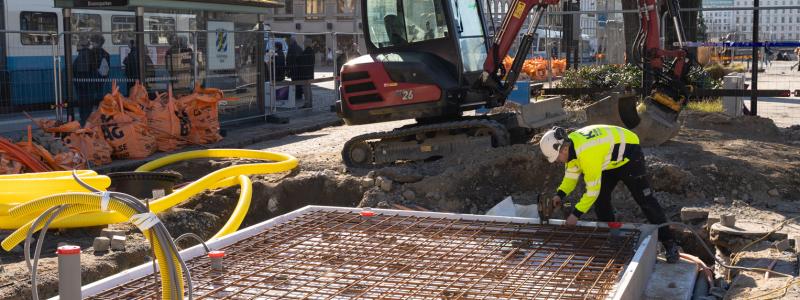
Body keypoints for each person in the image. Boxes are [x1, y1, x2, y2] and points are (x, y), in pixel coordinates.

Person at [539, 125, 681, 263]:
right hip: (608, 159)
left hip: (630, 155)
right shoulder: (571, 148)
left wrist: (575, 215)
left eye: (556, 158)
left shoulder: (587, 153)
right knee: (601, 200)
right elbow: (570, 177)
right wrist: (559, 195)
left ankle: (669, 243)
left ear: (563, 149)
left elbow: (592, 191)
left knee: (645, 200)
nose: (557, 161)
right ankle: (612, 238)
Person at [72, 39, 94, 126]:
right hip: (87, 84)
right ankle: (86, 119)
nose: (76, 46)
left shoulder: (83, 55)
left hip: (83, 84)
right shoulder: (88, 54)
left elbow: (82, 71)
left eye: (78, 44)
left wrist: (78, 82)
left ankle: (84, 121)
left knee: (84, 103)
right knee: (88, 103)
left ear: (82, 46)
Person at [297, 39, 316, 108]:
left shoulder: (306, 52)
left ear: (308, 43)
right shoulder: (312, 51)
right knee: (309, 88)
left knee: (306, 89)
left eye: (304, 42)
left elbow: (301, 61)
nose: (304, 44)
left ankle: (307, 103)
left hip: (305, 73)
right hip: (310, 73)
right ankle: (310, 103)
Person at [286, 37, 304, 101]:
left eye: (290, 41)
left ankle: (296, 95)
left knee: (294, 82)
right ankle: (299, 95)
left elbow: (288, 59)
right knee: (299, 82)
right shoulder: (299, 48)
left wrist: (287, 69)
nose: (289, 42)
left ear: (292, 41)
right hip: (299, 69)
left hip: (293, 68)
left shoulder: (291, 48)